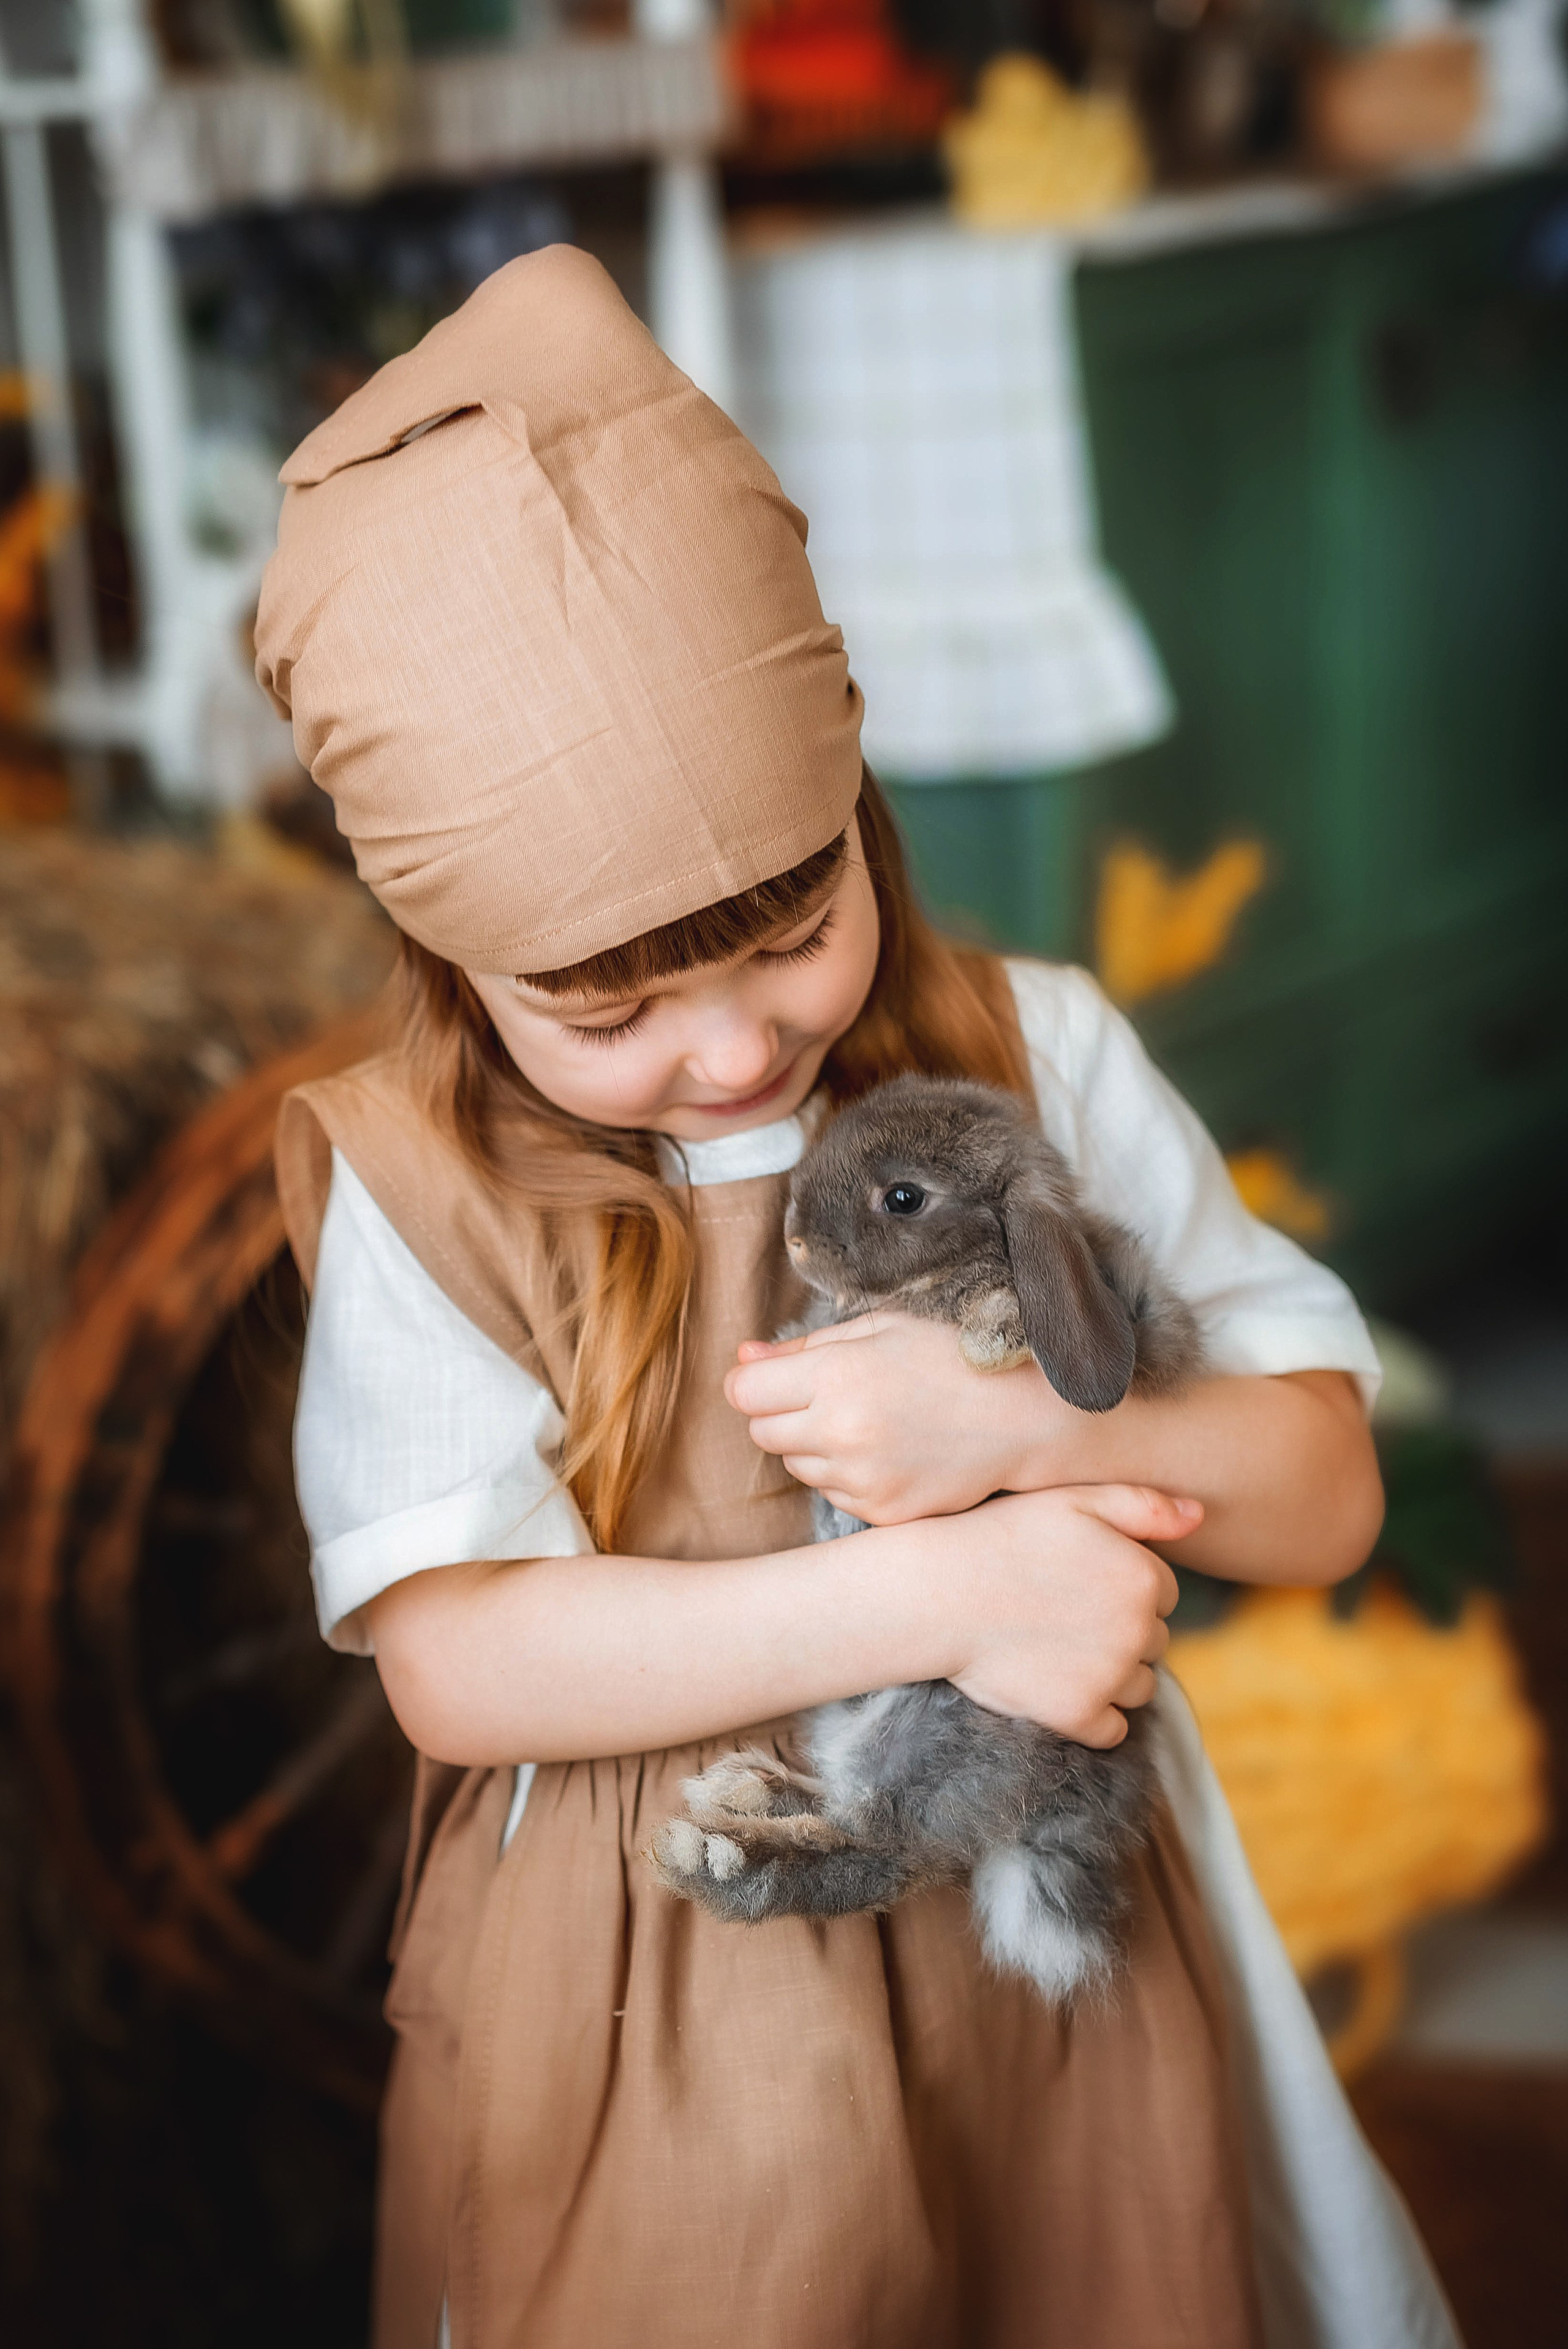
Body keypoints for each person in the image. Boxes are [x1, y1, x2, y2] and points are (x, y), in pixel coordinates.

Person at [255, 248, 1460, 2349]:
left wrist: (1035, 1431)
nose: (731, 1053)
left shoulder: (1034, 1053)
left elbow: (1324, 1491)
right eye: (614, 1004)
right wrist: (951, 1599)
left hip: (1048, 1952)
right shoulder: (422, 1185)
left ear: (857, 805)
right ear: (457, 962)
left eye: (794, 925)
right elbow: (459, 1663)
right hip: (664, 1992)